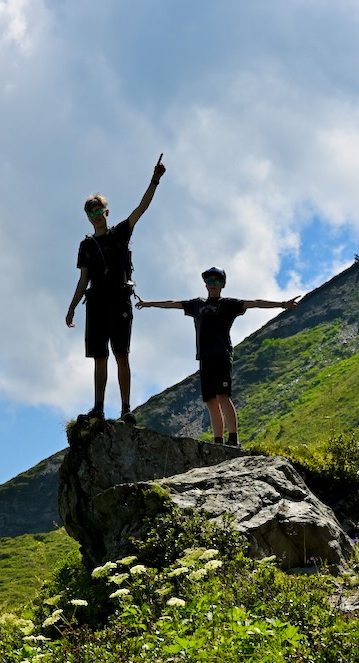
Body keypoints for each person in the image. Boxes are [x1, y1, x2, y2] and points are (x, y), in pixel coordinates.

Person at [136, 267, 299, 445]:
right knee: (210, 401)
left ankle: (233, 439)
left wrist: (283, 304)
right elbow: (174, 303)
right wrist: (148, 303)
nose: (212, 284)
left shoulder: (228, 304)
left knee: (222, 396)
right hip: (205, 357)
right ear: (205, 284)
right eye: (209, 281)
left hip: (221, 355)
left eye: (216, 281)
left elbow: (254, 303)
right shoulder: (197, 304)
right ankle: (218, 441)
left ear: (223, 284)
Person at [66, 155, 166, 422]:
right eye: (91, 212)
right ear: (87, 217)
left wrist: (154, 180)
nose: (95, 215)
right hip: (96, 302)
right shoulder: (86, 245)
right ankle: (98, 408)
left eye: (99, 210)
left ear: (106, 212)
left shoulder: (121, 232)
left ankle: (125, 410)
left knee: (121, 354)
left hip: (119, 300)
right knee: (99, 357)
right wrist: (72, 307)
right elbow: (83, 279)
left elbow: (141, 208)